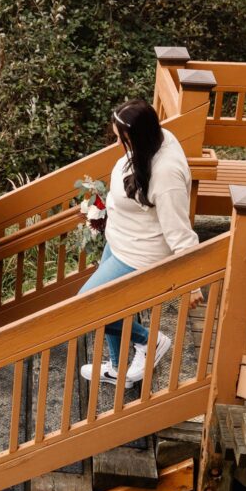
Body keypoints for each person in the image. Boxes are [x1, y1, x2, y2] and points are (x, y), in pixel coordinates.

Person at [79, 99, 203, 388]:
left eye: (122, 139)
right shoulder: (154, 142)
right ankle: (116, 368)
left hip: (139, 255)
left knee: (89, 307)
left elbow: (180, 230)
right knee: (112, 304)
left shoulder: (166, 173)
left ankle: (150, 342)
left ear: (138, 136)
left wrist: (192, 281)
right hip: (120, 240)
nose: (120, 144)